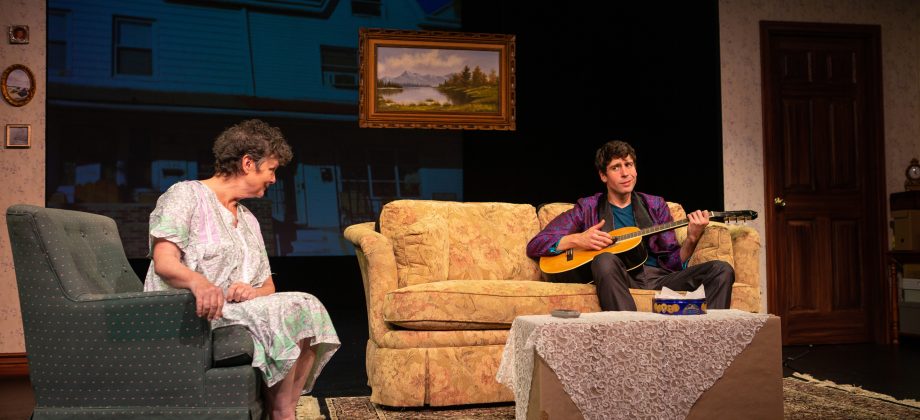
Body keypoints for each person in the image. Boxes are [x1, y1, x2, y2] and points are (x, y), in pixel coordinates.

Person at [143, 119, 339, 420]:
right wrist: (199, 282)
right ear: (248, 163)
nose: (274, 179)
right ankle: (283, 414)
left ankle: (284, 410)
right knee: (294, 308)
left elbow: (268, 287)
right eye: (271, 169)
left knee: (307, 304)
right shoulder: (185, 195)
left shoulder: (248, 219)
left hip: (231, 310)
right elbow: (165, 262)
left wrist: (252, 291)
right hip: (188, 310)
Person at [526, 140, 734, 311]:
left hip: (659, 278)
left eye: (629, 165)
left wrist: (691, 238)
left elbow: (672, 263)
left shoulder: (655, 205)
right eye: (616, 167)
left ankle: (710, 342)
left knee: (721, 269)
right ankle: (628, 334)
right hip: (621, 279)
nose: (625, 173)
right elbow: (536, 244)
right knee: (604, 260)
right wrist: (577, 239)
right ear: (603, 175)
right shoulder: (587, 207)